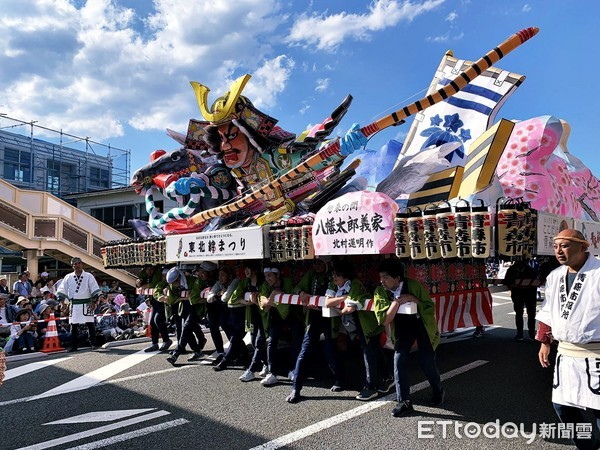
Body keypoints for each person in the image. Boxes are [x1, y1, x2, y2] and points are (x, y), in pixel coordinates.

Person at [536, 229, 600, 450]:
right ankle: (587, 446)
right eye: (555, 246)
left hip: (596, 354)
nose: (558, 251)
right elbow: (548, 311)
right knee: (562, 406)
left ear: (583, 247)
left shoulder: (599, 272)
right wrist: (545, 341)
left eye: (564, 245)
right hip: (566, 354)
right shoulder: (555, 276)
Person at [377, 258, 444, 417]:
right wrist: (397, 302)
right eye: (380, 277)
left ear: (397, 278)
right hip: (401, 328)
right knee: (398, 361)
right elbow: (384, 319)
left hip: (421, 325)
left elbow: (429, 307)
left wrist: (414, 300)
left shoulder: (414, 285)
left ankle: (437, 390)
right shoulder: (380, 292)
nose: (382, 281)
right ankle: (404, 401)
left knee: (426, 361)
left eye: (385, 277)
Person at [325, 259, 391, 401]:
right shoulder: (333, 284)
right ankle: (387, 377)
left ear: (346, 275)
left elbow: (349, 307)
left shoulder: (355, 284)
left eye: (338, 275)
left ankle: (371, 386)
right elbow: (327, 302)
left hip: (367, 322)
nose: (334, 277)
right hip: (354, 322)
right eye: (334, 274)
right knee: (374, 350)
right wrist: (344, 297)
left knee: (369, 352)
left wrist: (342, 303)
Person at [286, 257, 343, 403]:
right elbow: (297, 287)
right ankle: (296, 388)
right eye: (314, 262)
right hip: (313, 317)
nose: (316, 265)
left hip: (329, 317)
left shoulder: (333, 276)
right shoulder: (311, 275)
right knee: (304, 351)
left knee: (330, 351)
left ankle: (339, 379)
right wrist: (301, 293)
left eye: (319, 262)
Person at [258, 266, 301, 386]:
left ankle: (292, 369)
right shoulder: (265, 286)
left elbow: (294, 291)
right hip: (275, 317)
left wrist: (272, 302)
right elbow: (265, 306)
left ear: (277, 275)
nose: (267, 278)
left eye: (270, 275)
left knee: (297, 338)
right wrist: (273, 295)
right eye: (266, 276)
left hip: (291, 315)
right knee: (271, 341)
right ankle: (272, 373)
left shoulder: (287, 281)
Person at [55, 257, 101, 352]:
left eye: (78, 263)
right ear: (72, 266)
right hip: (74, 304)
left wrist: (94, 301)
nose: (77, 265)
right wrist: (62, 302)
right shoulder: (68, 277)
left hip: (87, 303)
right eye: (74, 263)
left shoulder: (89, 276)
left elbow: (94, 289)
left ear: (82, 264)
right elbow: (62, 289)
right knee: (74, 326)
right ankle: (74, 346)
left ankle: (93, 343)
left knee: (90, 324)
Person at [165, 267, 206, 365]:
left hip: (195, 308)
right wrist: (183, 298)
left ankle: (176, 354)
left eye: (175, 282)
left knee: (187, 327)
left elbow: (194, 297)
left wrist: (185, 297)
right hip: (184, 308)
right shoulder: (172, 285)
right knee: (186, 330)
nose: (173, 285)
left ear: (179, 278)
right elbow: (171, 300)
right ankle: (197, 351)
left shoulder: (193, 280)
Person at [236, 261, 268, 382]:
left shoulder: (263, 283)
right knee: (255, 342)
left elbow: (264, 302)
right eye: (245, 269)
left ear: (255, 270)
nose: (246, 272)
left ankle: (251, 370)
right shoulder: (246, 283)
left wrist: (255, 301)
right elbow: (235, 297)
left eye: (248, 269)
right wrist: (248, 302)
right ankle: (266, 364)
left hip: (263, 317)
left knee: (259, 342)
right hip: (252, 317)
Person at [205, 264, 237, 366]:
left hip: (237, 312)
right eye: (219, 275)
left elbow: (225, 297)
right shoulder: (219, 283)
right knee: (224, 325)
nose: (220, 278)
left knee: (234, 332)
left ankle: (238, 353)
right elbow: (209, 298)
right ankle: (231, 353)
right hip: (225, 311)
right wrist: (218, 293)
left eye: (223, 275)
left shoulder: (235, 281)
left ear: (230, 276)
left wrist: (219, 295)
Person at [504, 260, 538, 341]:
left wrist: (513, 286)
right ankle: (530, 334)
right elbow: (536, 282)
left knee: (521, 313)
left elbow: (507, 281)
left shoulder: (512, 269)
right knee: (529, 314)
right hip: (527, 294)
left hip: (520, 294)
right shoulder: (530, 269)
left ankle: (521, 334)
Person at [144, 268, 172, 352]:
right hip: (156, 303)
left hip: (165, 305)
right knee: (152, 322)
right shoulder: (160, 283)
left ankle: (166, 340)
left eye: (165, 276)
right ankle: (154, 343)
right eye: (163, 276)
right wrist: (159, 296)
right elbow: (156, 292)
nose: (164, 277)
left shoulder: (171, 284)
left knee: (158, 320)